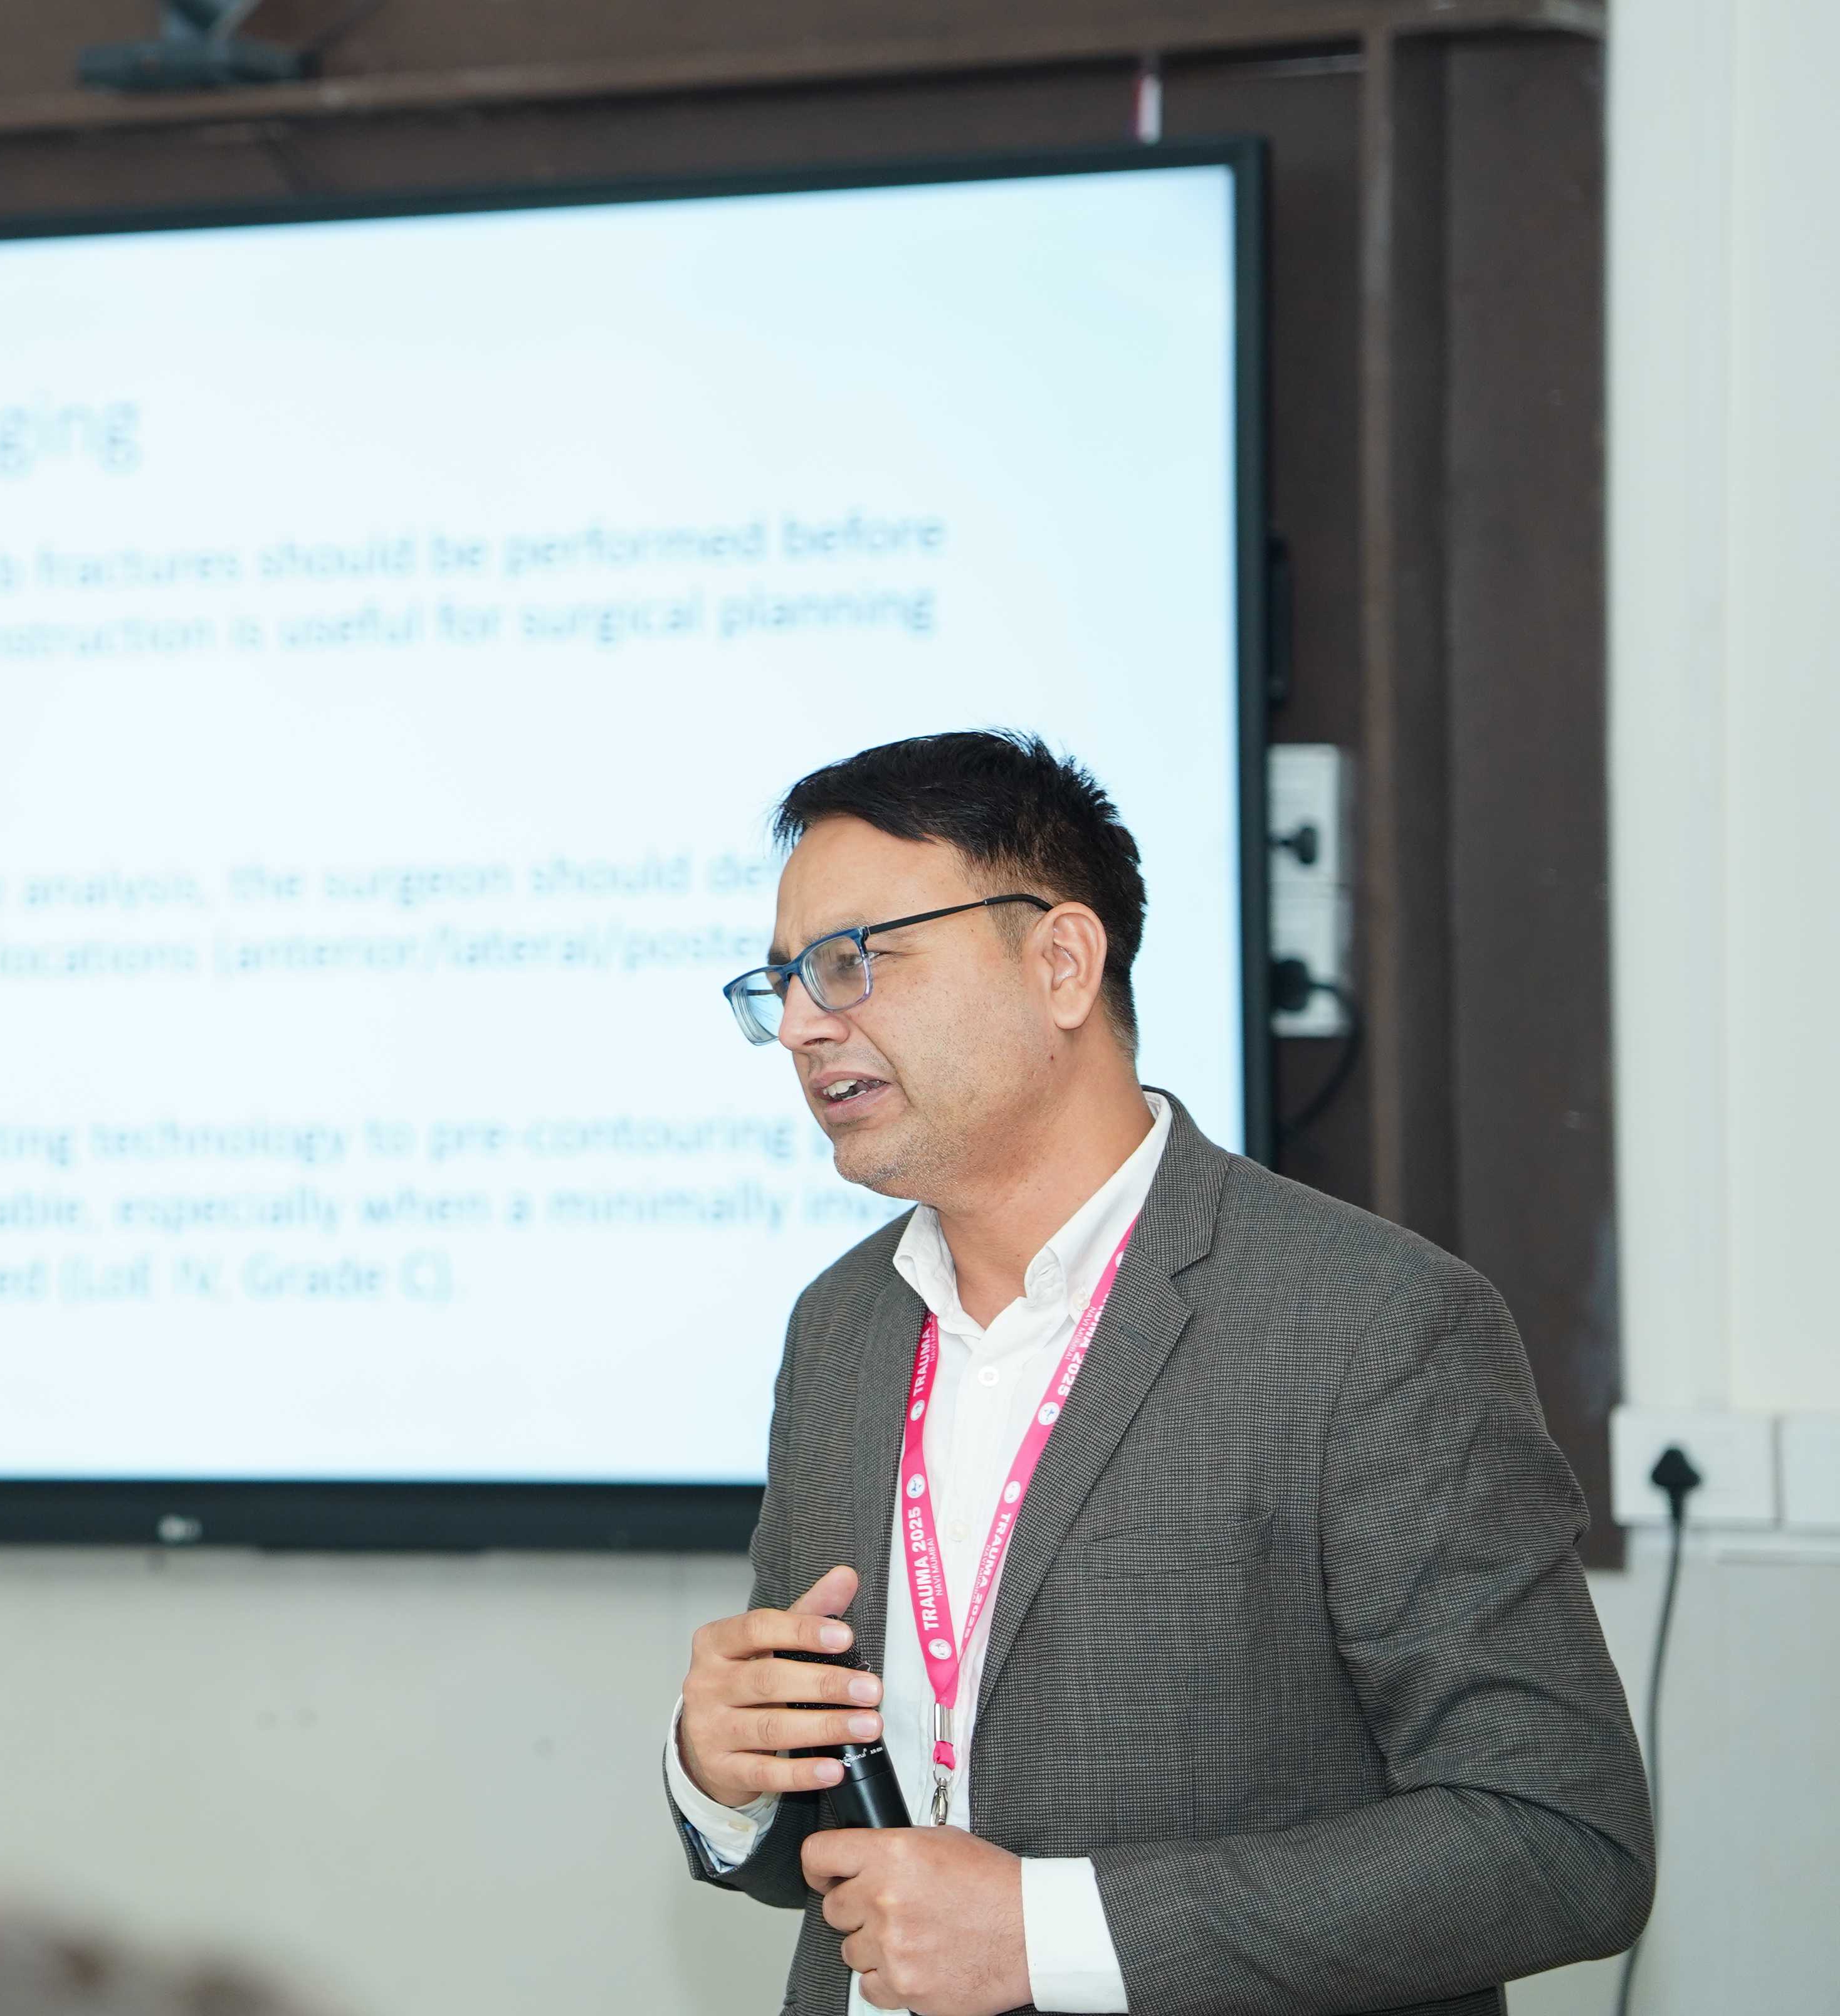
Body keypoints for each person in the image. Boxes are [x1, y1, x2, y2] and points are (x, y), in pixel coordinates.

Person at [665, 731, 1649, 2016]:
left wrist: (1047, 1933)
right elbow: (861, 1851)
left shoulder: (1370, 1321)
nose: (802, 1024)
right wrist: (724, 1776)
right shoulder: (842, 1325)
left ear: (1062, 963)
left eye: (855, 959)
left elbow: (1560, 1841)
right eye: (786, 979)